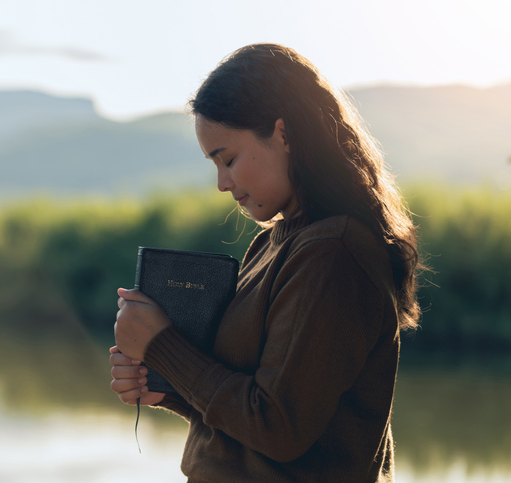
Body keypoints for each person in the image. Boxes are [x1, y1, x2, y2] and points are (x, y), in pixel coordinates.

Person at [110, 43, 421, 482]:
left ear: (284, 134)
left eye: (229, 159)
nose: (222, 183)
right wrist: (164, 385)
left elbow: (277, 427)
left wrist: (163, 345)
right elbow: (243, 415)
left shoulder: (334, 252)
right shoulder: (271, 245)